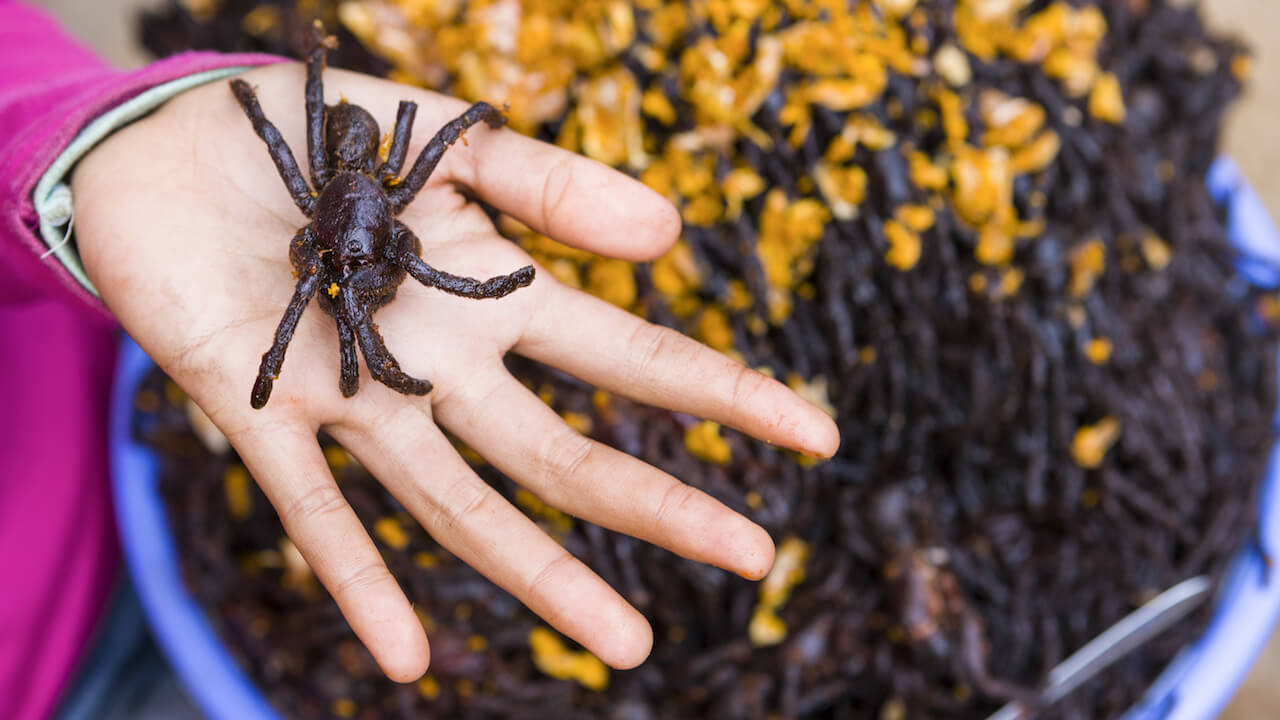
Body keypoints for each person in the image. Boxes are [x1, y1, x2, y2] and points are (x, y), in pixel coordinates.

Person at [0, 2, 840, 717]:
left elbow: (425, 218)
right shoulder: (325, 234)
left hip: (74, 443)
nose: (346, 282)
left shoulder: (389, 221)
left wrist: (92, 149)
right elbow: (307, 201)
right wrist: (277, 121)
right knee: (314, 292)